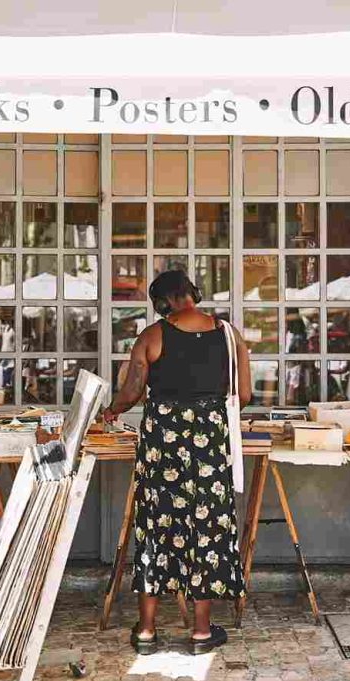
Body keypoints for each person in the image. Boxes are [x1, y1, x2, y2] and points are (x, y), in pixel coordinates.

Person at [100, 270, 250, 656]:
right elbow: (244, 394)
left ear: (162, 302)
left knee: (154, 527)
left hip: (161, 449)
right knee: (208, 531)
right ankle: (201, 633)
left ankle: (147, 631)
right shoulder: (230, 336)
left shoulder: (153, 335)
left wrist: (112, 410)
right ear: (193, 294)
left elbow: (132, 390)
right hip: (209, 451)